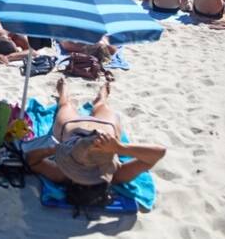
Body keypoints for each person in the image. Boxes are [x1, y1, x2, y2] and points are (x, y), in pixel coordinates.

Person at [23, 79, 166, 188]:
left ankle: (64, 92)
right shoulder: (114, 174)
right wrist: (119, 148)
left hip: (80, 127)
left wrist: (55, 149)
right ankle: (102, 95)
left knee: (65, 104)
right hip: (95, 127)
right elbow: (159, 152)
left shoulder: (62, 174)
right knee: (101, 105)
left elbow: (31, 160)